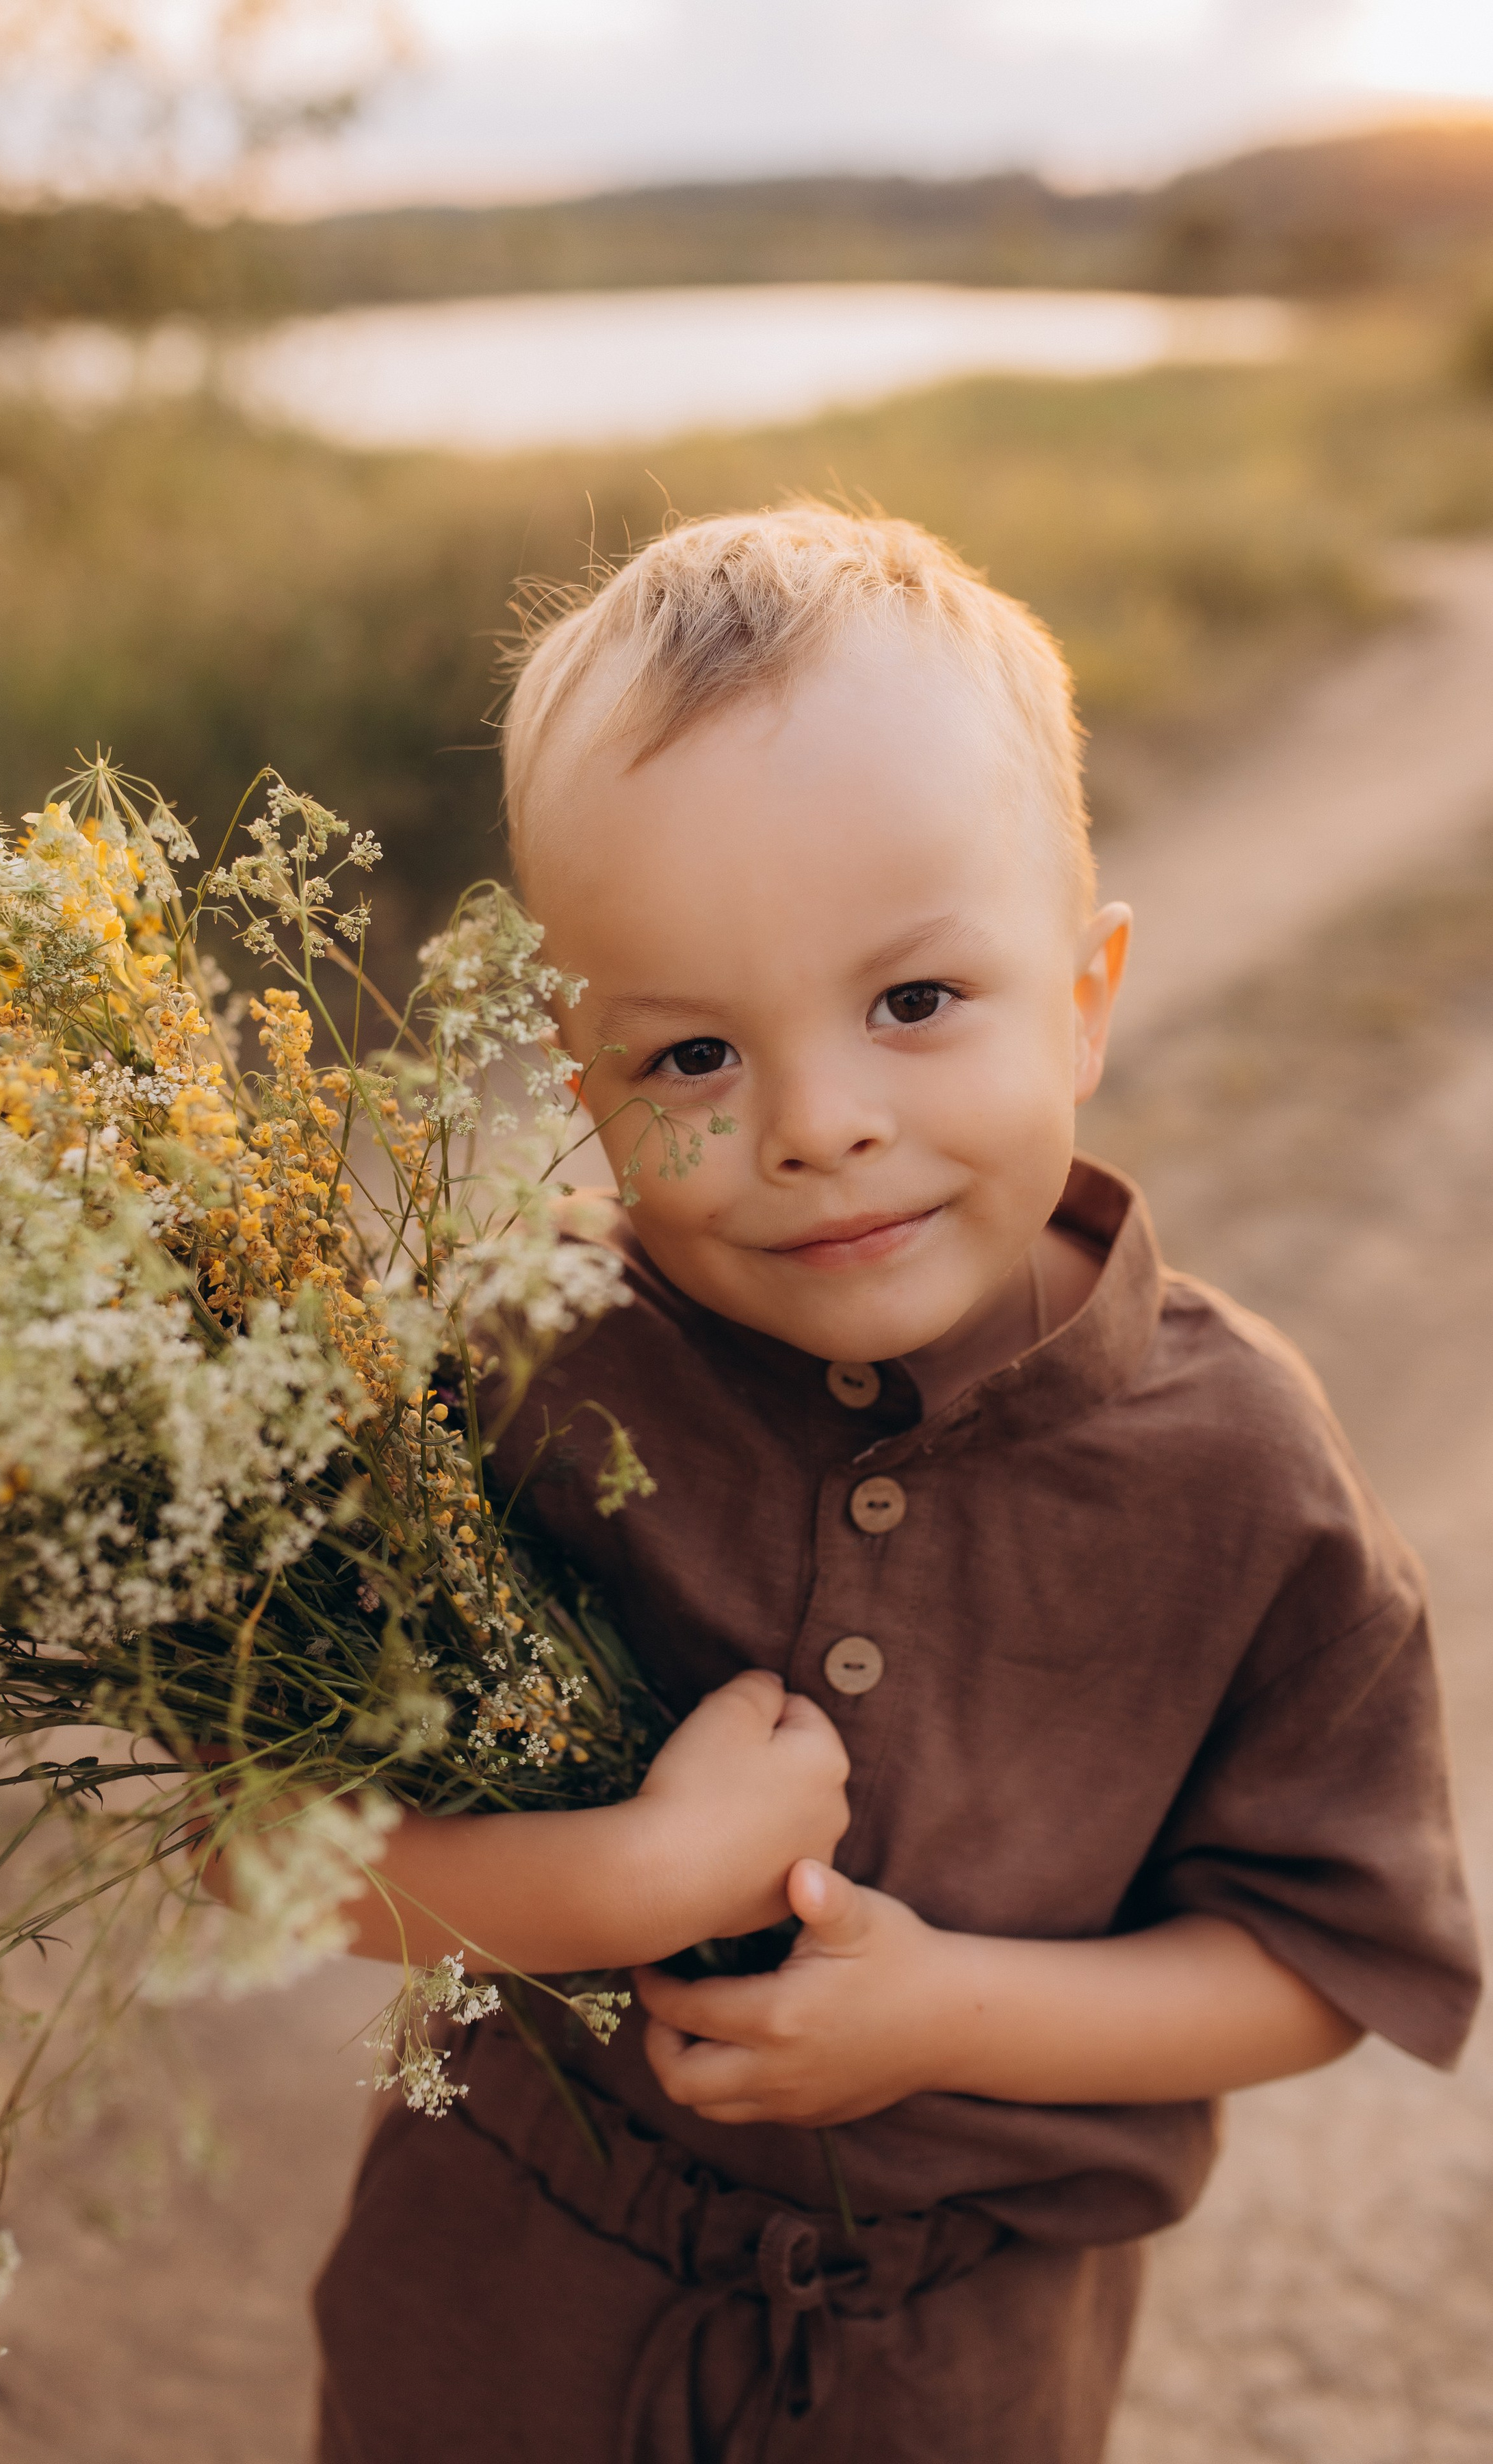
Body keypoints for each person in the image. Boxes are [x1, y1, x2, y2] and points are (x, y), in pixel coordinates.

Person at [311, 507, 1479, 2463]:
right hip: (497, 2326)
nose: (819, 1124)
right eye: (689, 1052)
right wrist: (628, 1883)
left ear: (1089, 996)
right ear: (573, 1075)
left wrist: (943, 2020)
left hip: (946, 2382)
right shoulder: (521, 1367)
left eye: (916, 1004)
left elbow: (1317, 1966)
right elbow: (265, 1842)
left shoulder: (1241, 1476)